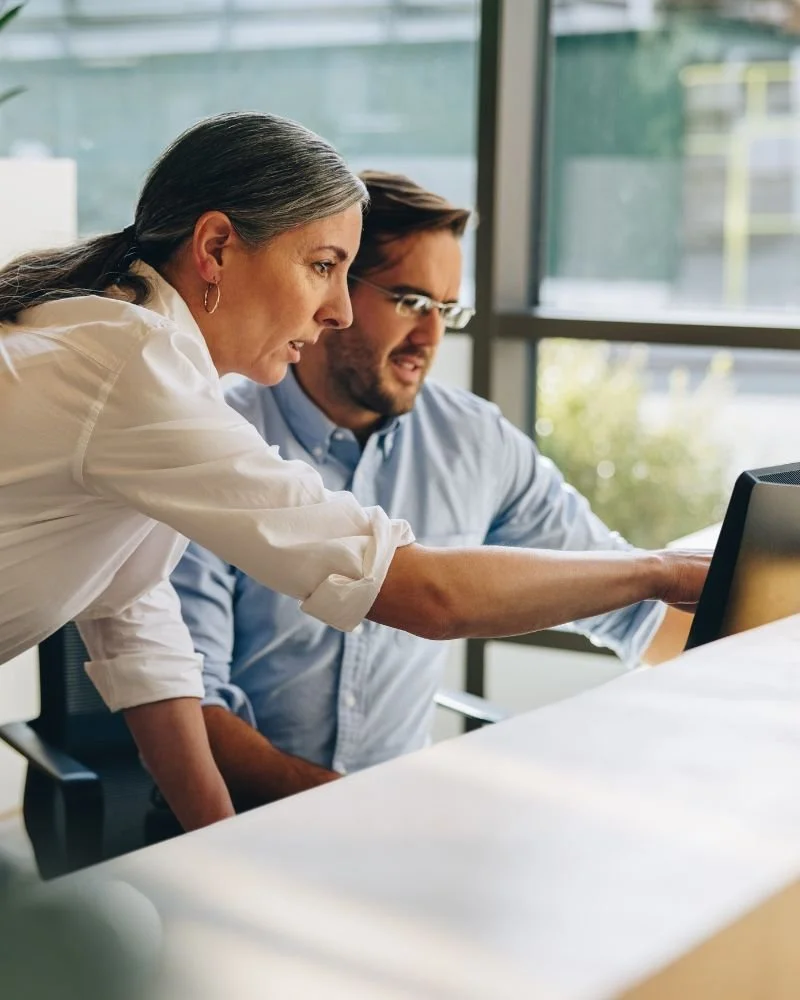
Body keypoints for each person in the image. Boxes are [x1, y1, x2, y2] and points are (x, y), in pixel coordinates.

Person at [0, 113, 707, 834]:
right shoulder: (139, 372)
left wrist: (217, 842)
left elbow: (138, 630)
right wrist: (661, 571)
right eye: (322, 266)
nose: (334, 310)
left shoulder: (145, 368)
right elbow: (422, 593)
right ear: (216, 248)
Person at [173, 171, 701, 808]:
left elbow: (630, 607)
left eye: (446, 309)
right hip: (239, 823)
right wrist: (349, 812)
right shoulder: (215, 440)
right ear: (328, 287)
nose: (431, 338)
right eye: (409, 301)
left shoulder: (473, 442)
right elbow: (192, 708)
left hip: (398, 827)